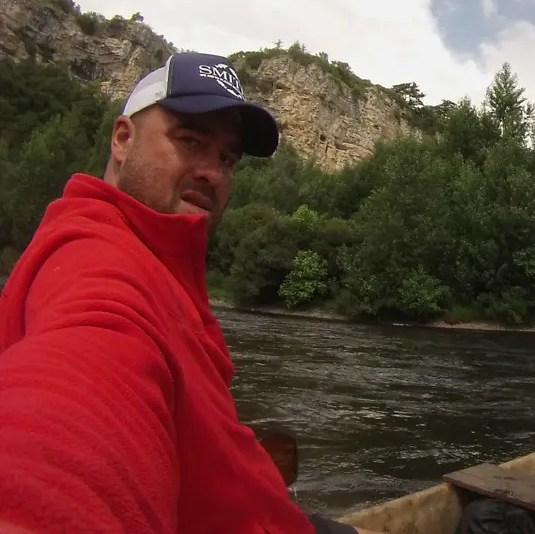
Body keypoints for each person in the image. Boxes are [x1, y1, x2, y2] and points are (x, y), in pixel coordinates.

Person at [0, 52, 380, 534]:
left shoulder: (159, 263)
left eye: (226, 158)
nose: (213, 172)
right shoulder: (96, 260)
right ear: (123, 139)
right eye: (190, 140)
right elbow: (73, 409)